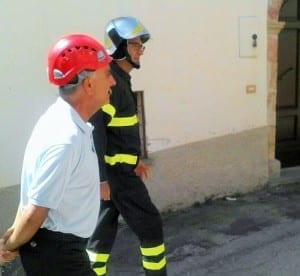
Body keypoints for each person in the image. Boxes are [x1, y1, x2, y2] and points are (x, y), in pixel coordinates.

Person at [0, 33, 115, 275]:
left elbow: (34, 194)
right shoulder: (66, 138)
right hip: (58, 256)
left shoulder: (67, 124)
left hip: (60, 251)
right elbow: (35, 209)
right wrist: (9, 245)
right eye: (107, 74)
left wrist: (15, 237)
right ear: (89, 84)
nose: (113, 82)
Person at [87, 16, 167, 276]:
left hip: (118, 171)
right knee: (150, 224)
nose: (140, 50)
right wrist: (102, 179)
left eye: (141, 45)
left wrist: (134, 161)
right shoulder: (112, 83)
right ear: (118, 46)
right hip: (116, 175)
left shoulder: (120, 79)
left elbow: (116, 134)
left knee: (102, 231)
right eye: (134, 45)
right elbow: (96, 134)